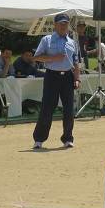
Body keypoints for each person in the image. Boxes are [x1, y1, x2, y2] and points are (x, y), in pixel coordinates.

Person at [32, 13, 80, 149]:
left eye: (65, 23)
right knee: (47, 108)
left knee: (69, 109)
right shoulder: (46, 40)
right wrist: (53, 58)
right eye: (61, 23)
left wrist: (77, 79)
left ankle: (68, 138)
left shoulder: (72, 42)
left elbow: (76, 63)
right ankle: (39, 139)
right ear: (55, 25)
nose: (63, 26)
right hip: (52, 76)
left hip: (68, 77)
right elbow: (37, 58)